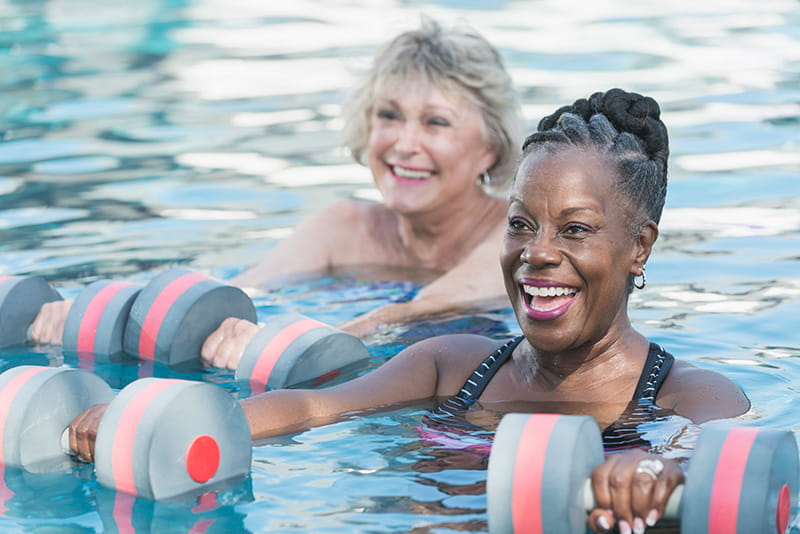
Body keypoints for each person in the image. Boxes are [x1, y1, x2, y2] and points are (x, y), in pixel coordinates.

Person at [69, 89, 750, 534]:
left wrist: (652, 474)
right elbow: (311, 410)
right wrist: (158, 417)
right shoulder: (451, 366)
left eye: (574, 230)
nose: (536, 254)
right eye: (520, 225)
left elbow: (707, 463)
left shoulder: (690, 396)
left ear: (639, 246)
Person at [28, 16, 524, 367]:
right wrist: (109, 311)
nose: (404, 143)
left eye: (436, 122)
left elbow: (416, 312)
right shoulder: (344, 226)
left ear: (489, 148)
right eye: (388, 115)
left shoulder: (518, 233)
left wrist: (296, 344)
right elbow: (249, 286)